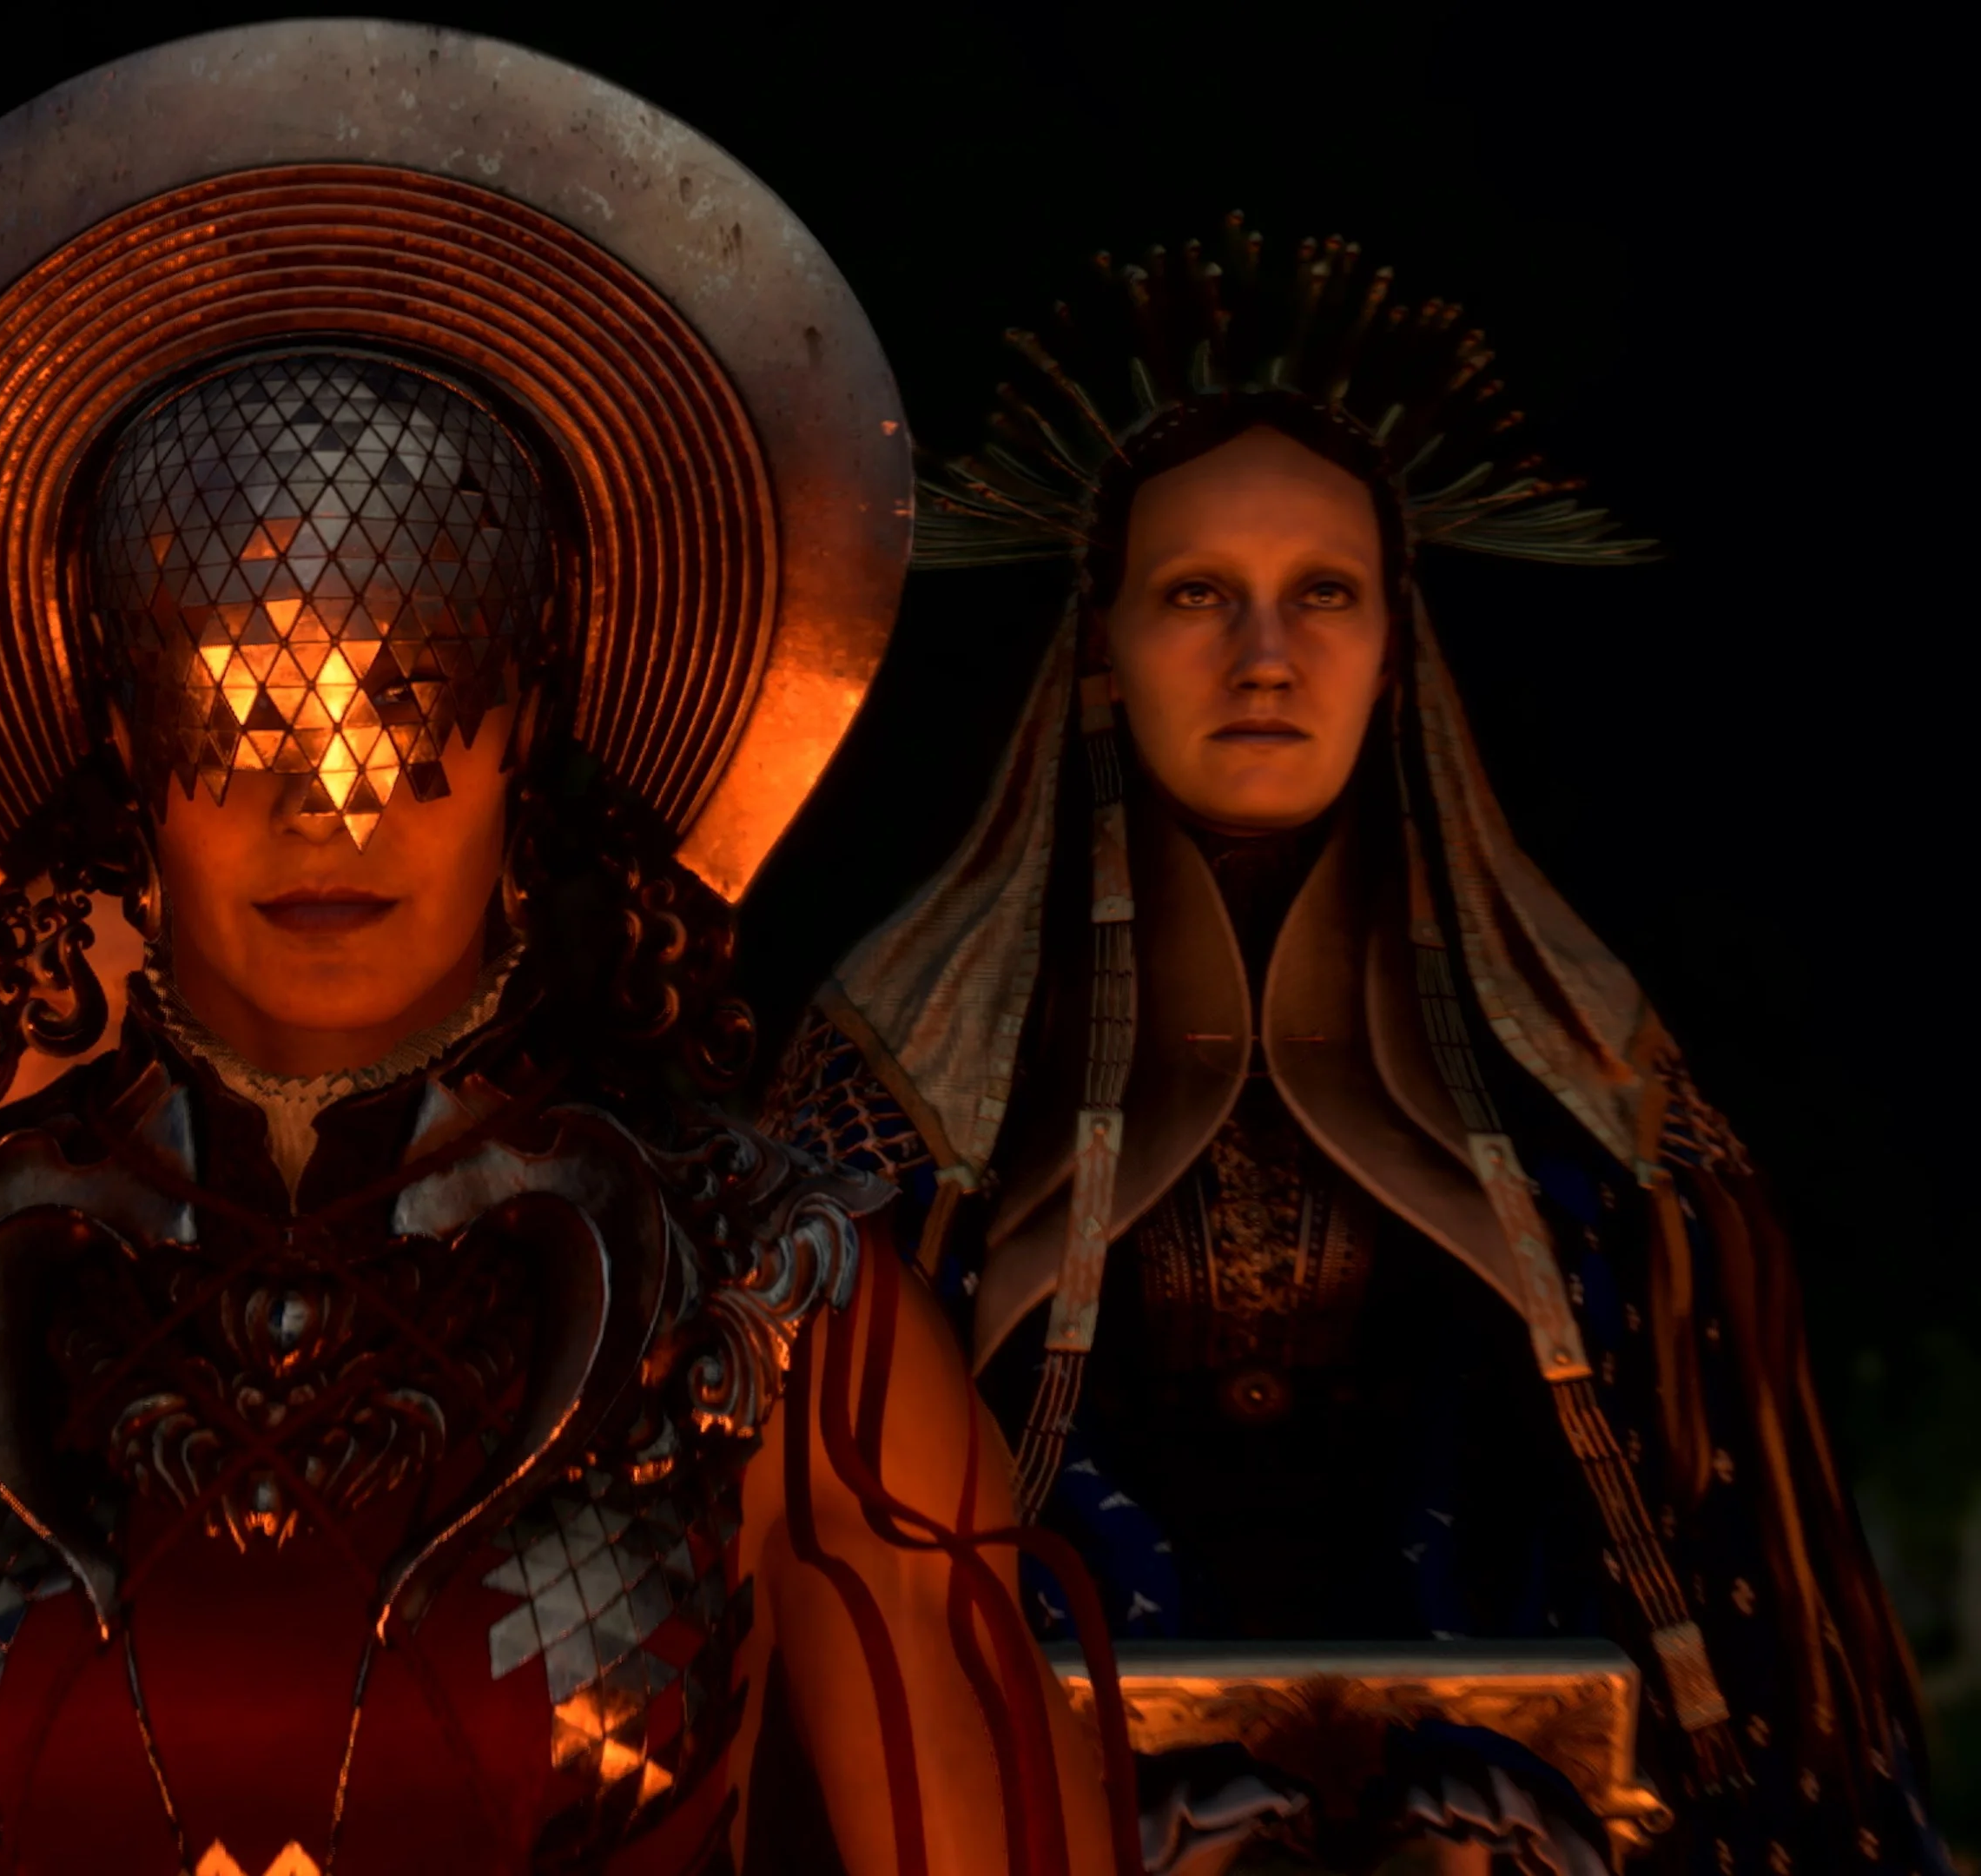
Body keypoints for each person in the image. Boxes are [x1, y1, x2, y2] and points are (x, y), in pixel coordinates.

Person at [0, 25, 1132, 1876]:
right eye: (236, 708)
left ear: (529, 723)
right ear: (121, 733)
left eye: (407, 700)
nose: (329, 807)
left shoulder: (785, 1303)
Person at [769, 220, 1941, 1873]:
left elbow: (1742, 1616)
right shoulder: (900, 1083)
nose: (1266, 657)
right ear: (1100, 637)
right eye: (1198, 594)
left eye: (1323, 593)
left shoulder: (1586, 1078)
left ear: (1397, 643)